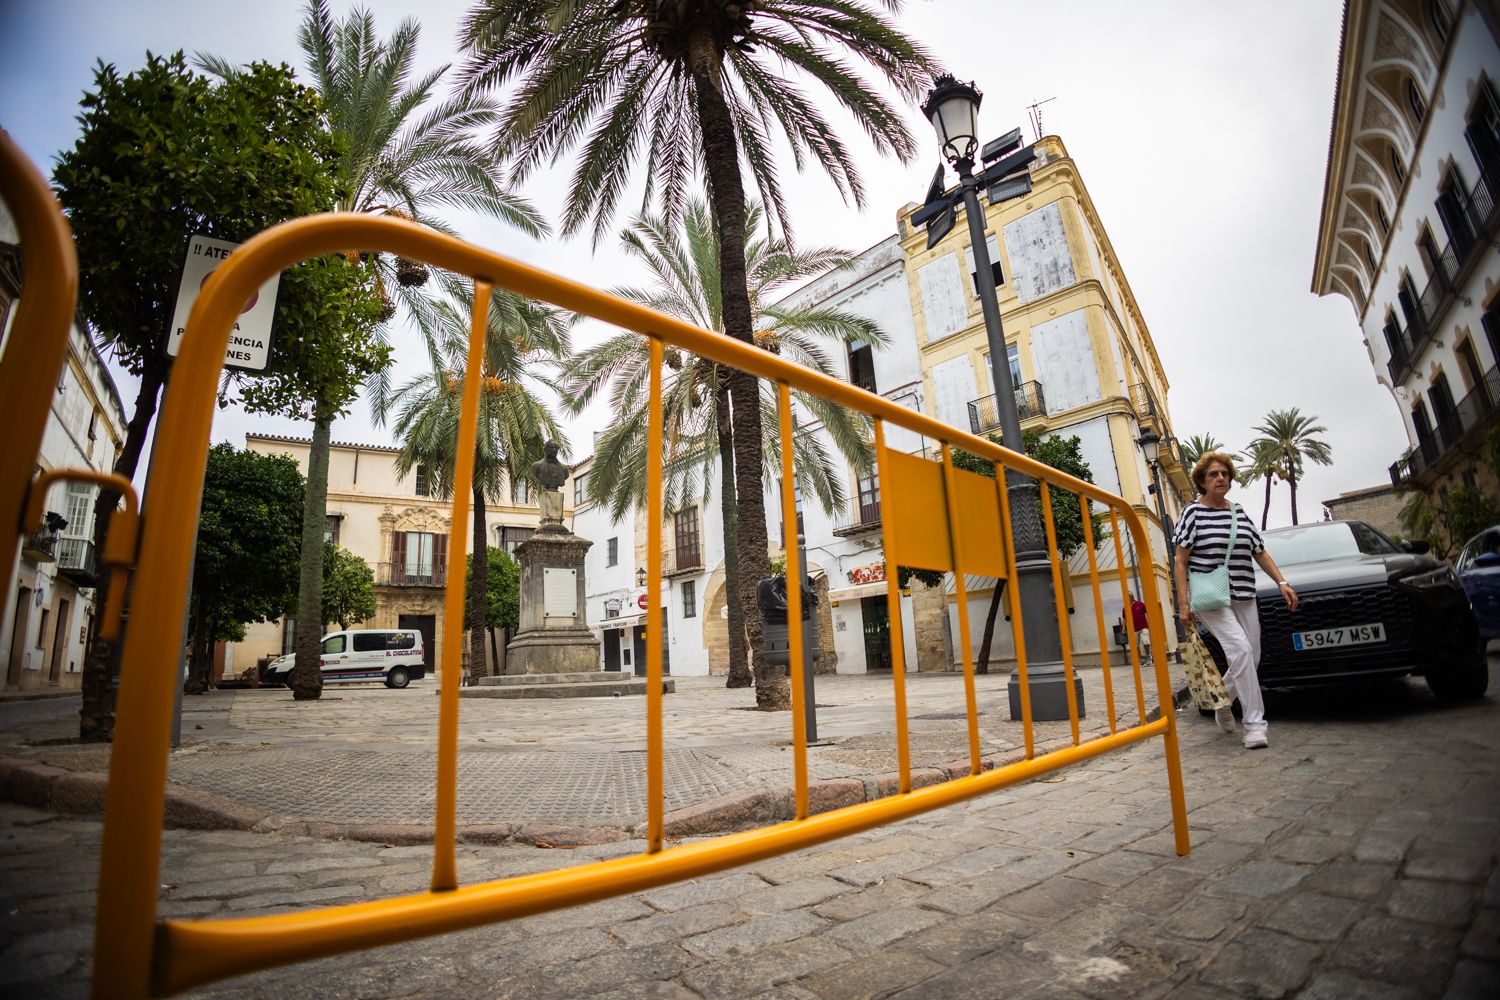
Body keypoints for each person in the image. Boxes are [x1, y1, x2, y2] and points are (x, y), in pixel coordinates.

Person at [1172, 450, 1299, 749]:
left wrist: (1281, 582)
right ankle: (1255, 724)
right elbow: (1180, 561)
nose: (1220, 478)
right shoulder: (1192, 513)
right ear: (1202, 481)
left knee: (1250, 656)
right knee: (1240, 650)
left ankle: (1222, 699)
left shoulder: (1238, 512)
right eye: (1213, 474)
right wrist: (1184, 604)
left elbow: (1259, 550)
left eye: (1225, 474)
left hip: (1243, 592)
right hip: (1211, 596)